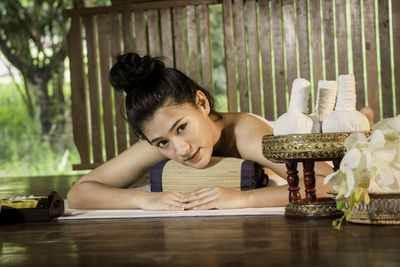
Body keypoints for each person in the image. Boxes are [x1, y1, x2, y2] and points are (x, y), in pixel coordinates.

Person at [67, 52, 334, 211]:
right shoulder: (164, 137)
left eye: (182, 128)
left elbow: (331, 184)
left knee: (319, 123)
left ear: (202, 103)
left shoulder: (247, 134)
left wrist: (243, 199)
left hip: (284, 132)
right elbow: (79, 193)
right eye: (161, 143)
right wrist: (144, 200)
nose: (180, 149)